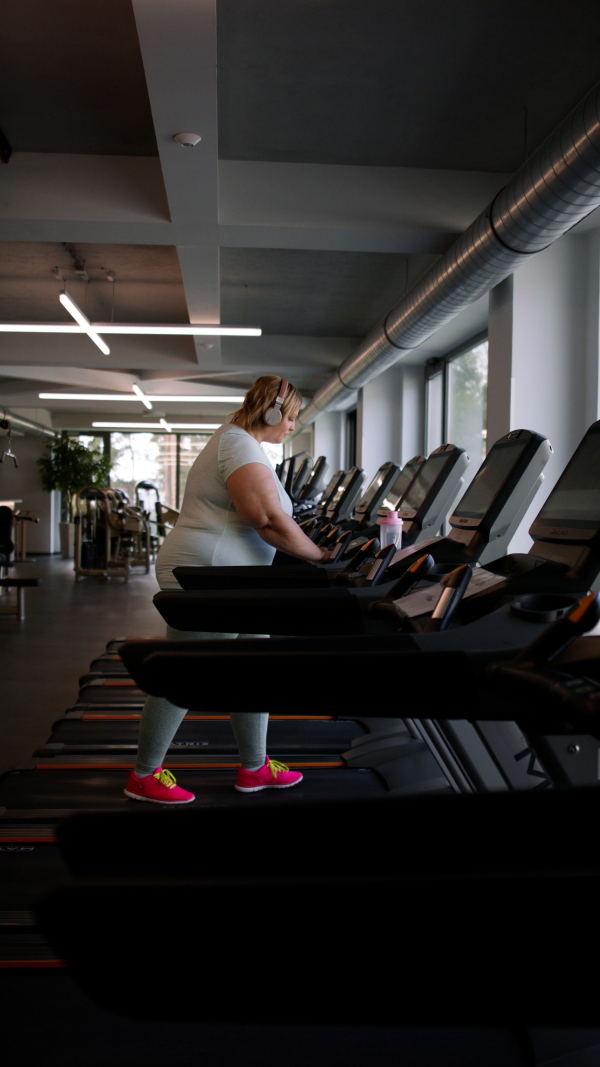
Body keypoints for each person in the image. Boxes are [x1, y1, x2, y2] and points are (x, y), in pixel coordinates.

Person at [124, 375, 328, 804]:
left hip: (235, 579)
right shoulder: (238, 444)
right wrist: (322, 558)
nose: (292, 426)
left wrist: (314, 548)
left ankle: (254, 768)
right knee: (186, 673)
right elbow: (267, 520)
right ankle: (143, 775)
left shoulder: (242, 443)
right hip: (207, 575)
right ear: (273, 412)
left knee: (254, 672)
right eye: (290, 417)